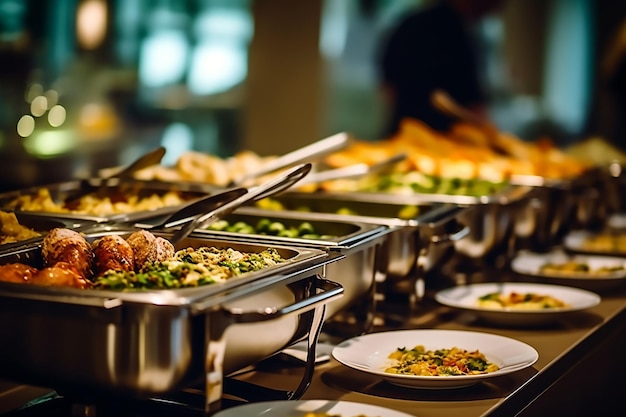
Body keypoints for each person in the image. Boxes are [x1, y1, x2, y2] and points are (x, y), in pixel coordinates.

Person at [378, 0, 504, 136]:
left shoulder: (409, 22)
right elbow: (474, 105)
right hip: (447, 141)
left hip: (401, 133)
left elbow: (388, 88)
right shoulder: (458, 33)